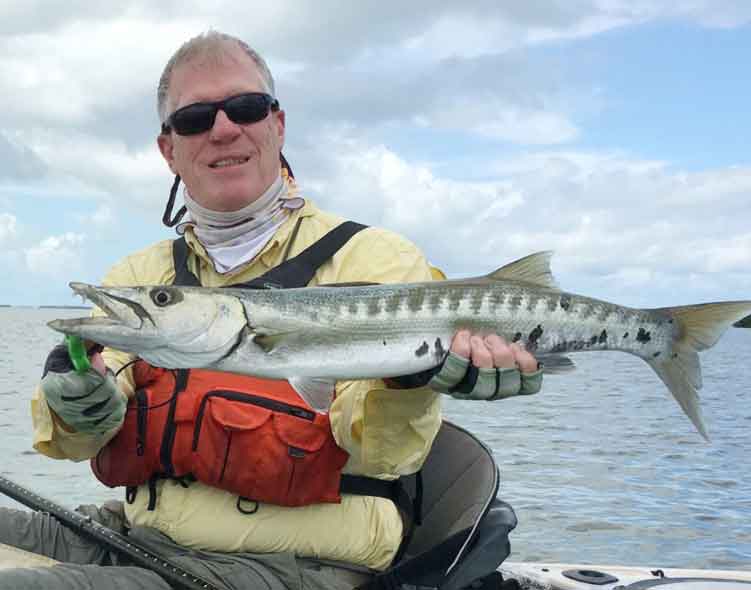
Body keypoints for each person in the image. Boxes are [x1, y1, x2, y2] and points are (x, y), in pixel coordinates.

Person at [0, 31, 543, 590]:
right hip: (140, 540)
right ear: (169, 149)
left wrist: (410, 384)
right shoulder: (141, 280)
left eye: (246, 107)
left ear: (277, 125)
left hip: (290, 568)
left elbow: (383, 456)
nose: (223, 128)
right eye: (194, 118)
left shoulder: (380, 259)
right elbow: (77, 440)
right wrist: (77, 401)